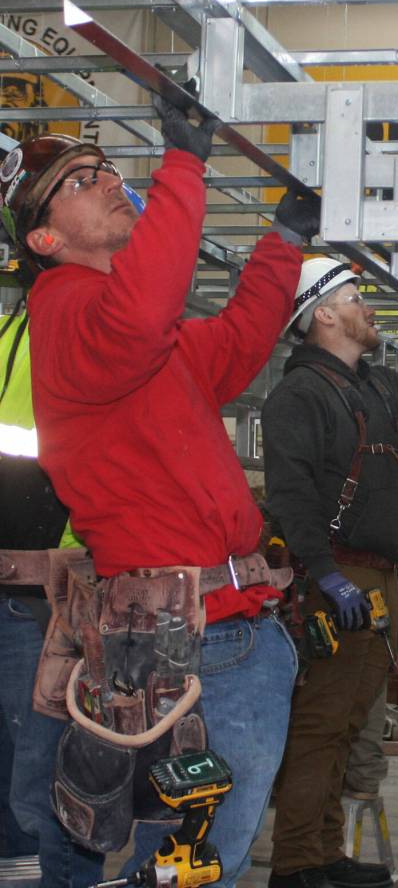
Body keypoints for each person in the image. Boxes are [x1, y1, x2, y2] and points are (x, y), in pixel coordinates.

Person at [0, 95, 319, 887]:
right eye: (81, 181)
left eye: (106, 168)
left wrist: (284, 242)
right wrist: (183, 165)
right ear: (44, 240)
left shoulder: (140, 340)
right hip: (187, 634)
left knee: (192, 861)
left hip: (223, 625)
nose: (108, 179)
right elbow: (144, 312)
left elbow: (237, 343)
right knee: (193, 864)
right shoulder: (69, 311)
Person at [261, 258, 398, 888]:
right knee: (321, 724)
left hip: (379, 581)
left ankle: (323, 853)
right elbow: (292, 496)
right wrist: (326, 575)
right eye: (356, 297)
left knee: (349, 724)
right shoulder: (300, 396)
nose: (369, 307)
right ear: (323, 314)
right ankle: (297, 863)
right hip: (339, 581)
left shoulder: (377, 386)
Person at [0, 297, 105, 888]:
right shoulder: (18, 337)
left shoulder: (77, 338)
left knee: (44, 772)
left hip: (43, 596)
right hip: (34, 595)